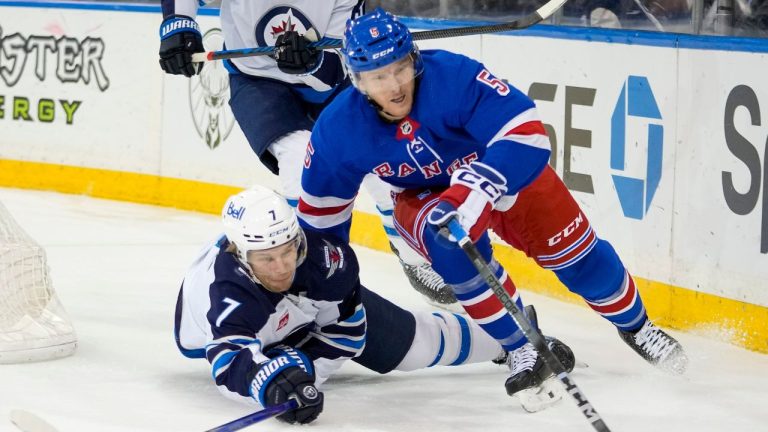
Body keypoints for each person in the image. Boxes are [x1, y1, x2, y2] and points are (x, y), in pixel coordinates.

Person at [297, 8, 689, 395]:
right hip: (424, 198)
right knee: (449, 243)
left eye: (400, 68)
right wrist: (324, 287)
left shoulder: (453, 77)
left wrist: (483, 183)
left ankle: (639, 327)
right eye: (379, 77)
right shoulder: (338, 130)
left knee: (578, 258)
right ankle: (522, 347)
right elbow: (321, 222)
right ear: (357, 80)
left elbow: (528, 133)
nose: (395, 86)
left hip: (497, 172)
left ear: (413, 58)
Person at [174, 185, 576, 424]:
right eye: (266, 259)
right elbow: (229, 364)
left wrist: (308, 369)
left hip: (304, 316)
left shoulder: (322, 258)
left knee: (412, 344)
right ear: (241, 255)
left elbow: (347, 333)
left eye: (288, 251)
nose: (281, 267)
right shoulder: (224, 291)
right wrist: (273, 385)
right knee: (268, 355)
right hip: (246, 329)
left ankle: (516, 337)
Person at [156, 0, 458, 310]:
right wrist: (179, 22)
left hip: (333, 84)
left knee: (383, 167)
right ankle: (308, 279)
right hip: (257, 81)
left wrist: (313, 62)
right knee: (300, 163)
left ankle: (413, 256)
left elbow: (338, 70)